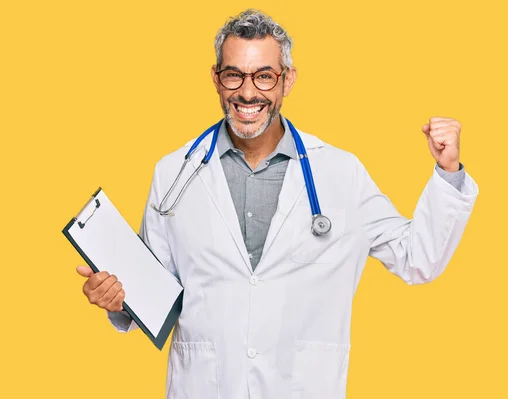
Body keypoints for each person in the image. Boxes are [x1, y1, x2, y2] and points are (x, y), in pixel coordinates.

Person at [76, 9, 479, 399]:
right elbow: (154, 295)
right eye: (234, 75)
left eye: (264, 76)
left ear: (287, 81)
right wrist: (116, 301)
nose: (248, 92)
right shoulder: (174, 174)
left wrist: (448, 171)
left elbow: (418, 257)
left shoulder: (341, 173)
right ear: (216, 80)